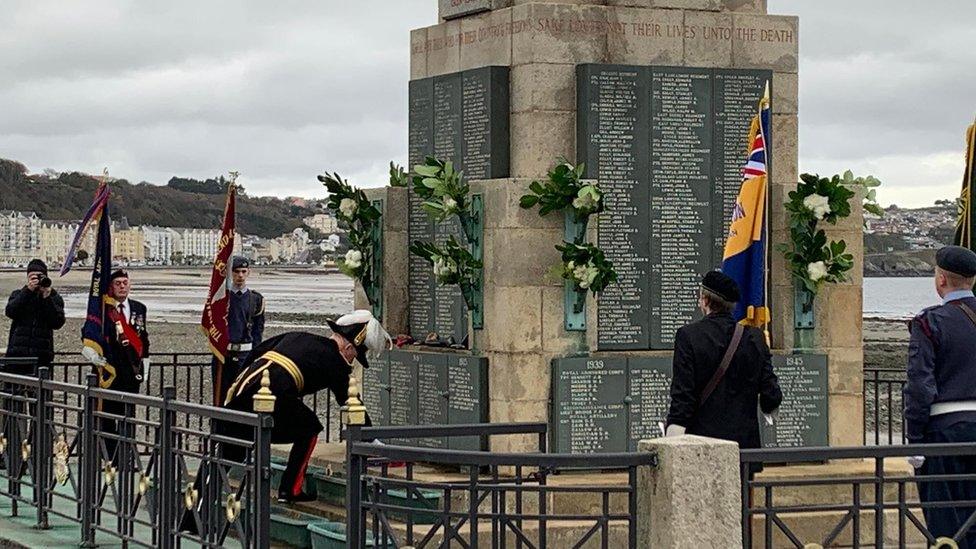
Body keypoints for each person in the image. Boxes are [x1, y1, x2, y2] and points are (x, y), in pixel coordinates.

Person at [664, 270, 782, 473]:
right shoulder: (754, 338)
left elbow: (683, 395)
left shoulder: (689, 336)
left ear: (704, 300)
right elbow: (771, 395)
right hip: (742, 450)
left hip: (701, 447)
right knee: (742, 503)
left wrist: (673, 434)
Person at [904, 245, 976, 545]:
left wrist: (915, 439)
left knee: (946, 525)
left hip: (944, 433)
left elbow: (920, 386)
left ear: (942, 279)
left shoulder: (930, 322)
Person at [81, 269, 150, 461]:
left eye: (125, 283)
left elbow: (143, 337)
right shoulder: (103, 310)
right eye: (118, 283)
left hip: (130, 371)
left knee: (128, 415)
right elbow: (89, 332)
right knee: (108, 417)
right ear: (111, 286)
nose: (122, 286)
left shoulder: (139, 308)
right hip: (109, 371)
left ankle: (127, 456)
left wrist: (146, 361)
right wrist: (91, 353)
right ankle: (110, 457)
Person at [212, 256, 265, 404]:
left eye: (243, 271)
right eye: (236, 272)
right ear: (230, 273)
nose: (240, 275)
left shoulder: (256, 299)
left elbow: (257, 330)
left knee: (243, 394)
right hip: (223, 353)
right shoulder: (221, 297)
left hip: (245, 353)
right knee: (220, 396)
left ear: (248, 272)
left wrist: (255, 354)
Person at [4, 259, 66, 374]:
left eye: (40, 277)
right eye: (33, 277)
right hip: (17, 355)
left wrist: (46, 298)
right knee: (14, 389)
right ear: (28, 278)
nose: (37, 280)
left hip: (41, 357)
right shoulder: (18, 294)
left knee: (41, 390)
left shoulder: (54, 297)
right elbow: (10, 312)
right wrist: (28, 291)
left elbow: (57, 322)